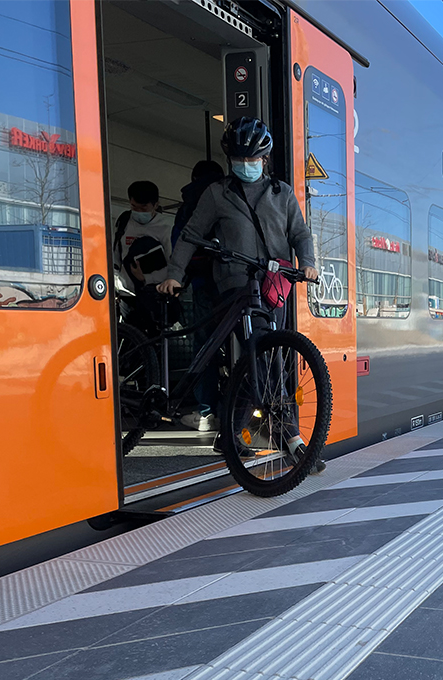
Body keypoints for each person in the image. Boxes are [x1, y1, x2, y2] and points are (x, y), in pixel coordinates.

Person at [158, 117, 324, 473]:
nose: (244, 165)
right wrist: (174, 274)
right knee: (261, 358)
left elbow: (301, 235)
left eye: (251, 159)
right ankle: (290, 437)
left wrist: (307, 263)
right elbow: (191, 234)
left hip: (273, 287)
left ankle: (230, 433)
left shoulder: (282, 194)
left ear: (264, 160)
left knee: (262, 360)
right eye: (238, 159)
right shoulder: (218, 193)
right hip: (234, 284)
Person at [171, 160, 225, 433]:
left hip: (203, 284)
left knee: (205, 346)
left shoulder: (190, 202)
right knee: (248, 343)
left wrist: (178, 276)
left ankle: (206, 412)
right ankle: (241, 409)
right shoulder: (231, 195)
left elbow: (180, 240)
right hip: (233, 282)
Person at [113, 181, 174, 337]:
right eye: (134, 207)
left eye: (143, 208)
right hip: (127, 294)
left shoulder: (166, 227)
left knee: (152, 342)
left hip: (155, 296)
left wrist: (145, 278)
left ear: (155, 205)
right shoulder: (124, 221)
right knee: (129, 340)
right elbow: (116, 255)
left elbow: (172, 263)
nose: (138, 212)